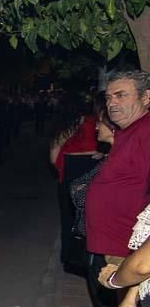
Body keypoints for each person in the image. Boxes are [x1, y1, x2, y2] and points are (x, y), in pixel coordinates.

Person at [80, 71, 150, 307]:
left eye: (121, 95)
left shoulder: (146, 131)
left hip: (128, 246)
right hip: (113, 243)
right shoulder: (127, 133)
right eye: (108, 97)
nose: (112, 103)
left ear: (146, 97)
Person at [49, 106, 97, 273]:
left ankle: (68, 258)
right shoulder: (95, 122)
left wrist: (63, 168)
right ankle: (84, 259)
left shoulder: (67, 126)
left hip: (71, 173)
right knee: (87, 220)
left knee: (68, 219)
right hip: (91, 171)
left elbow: (54, 156)